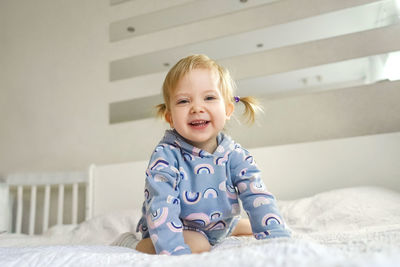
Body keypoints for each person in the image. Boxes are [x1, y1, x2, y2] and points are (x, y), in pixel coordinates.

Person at [135, 54, 290, 255]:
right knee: (199, 245)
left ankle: (225, 232)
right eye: (183, 101)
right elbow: (161, 205)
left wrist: (277, 238)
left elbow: (256, 194)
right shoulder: (166, 155)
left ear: (227, 109)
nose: (197, 108)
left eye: (209, 98)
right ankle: (133, 243)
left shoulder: (234, 154)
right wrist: (174, 251)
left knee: (258, 226)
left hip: (218, 225)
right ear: (170, 117)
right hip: (174, 227)